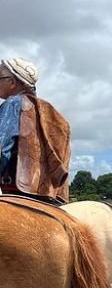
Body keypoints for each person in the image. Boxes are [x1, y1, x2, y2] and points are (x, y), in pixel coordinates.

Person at [0, 58, 71, 204]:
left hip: (16, 193)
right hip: (51, 198)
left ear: (12, 82)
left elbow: (1, 149)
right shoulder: (52, 114)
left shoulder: (12, 104)